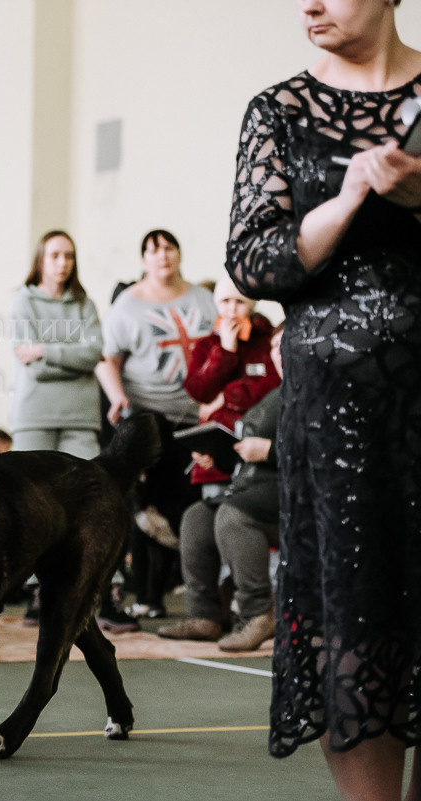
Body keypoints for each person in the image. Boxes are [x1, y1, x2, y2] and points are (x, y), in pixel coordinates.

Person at [226, 1, 421, 796]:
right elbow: (252, 261)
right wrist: (344, 204)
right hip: (337, 418)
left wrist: (415, 197)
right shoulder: (280, 109)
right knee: (353, 616)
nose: (308, 2)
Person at [96, 229, 216, 619]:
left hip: (194, 417)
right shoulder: (128, 304)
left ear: (179, 253)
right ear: (144, 259)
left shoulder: (202, 298)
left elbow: (219, 348)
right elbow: (106, 359)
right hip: (147, 416)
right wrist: (117, 397)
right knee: (147, 510)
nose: (162, 255)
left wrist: (216, 400)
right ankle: (145, 593)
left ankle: (196, 598)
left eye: (169, 247)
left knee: (189, 505)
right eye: (153, 249)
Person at [158, 328, 284, 651]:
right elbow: (250, 453)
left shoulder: (316, 395)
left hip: (291, 492)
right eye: (273, 347)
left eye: (284, 346)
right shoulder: (275, 394)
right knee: (197, 516)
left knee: (234, 517)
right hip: (250, 485)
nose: (278, 353)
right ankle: (205, 617)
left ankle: (258, 613)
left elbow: (326, 453)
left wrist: (270, 451)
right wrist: (222, 460)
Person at [8, 230, 103, 458]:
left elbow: (93, 354)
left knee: (84, 487)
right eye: (55, 255)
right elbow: (37, 369)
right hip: (34, 416)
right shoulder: (23, 302)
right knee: (32, 489)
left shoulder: (85, 304)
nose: (63, 263)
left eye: (69, 256)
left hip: (81, 417)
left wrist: (43, 350)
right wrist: (76, 362)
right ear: (41, 260)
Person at [181, 275, 280, 492]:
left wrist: (226, 396)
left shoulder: (268, 341)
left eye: (240, 302)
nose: (232, 309)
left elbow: (275, 387)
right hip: (214, 458)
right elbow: (198, 390)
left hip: (257, 453)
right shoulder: (206, 345)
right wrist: (225, 351)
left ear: (251, 305)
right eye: (225, 302)